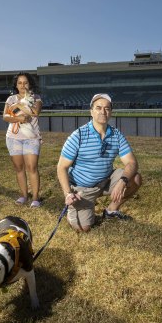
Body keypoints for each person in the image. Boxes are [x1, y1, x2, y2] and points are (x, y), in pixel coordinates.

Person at [57, 93, 142, 233]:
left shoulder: (116, 135)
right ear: (91, 111)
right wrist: (67, 193)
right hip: (83, 188)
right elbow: (61, 167)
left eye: (107, 108)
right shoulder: (78, 135)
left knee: (135, 178)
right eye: (98, 108)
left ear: (111, 112)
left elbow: (132, 163)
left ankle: (111, 211)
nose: (103, 111)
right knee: (83, 228)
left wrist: (122, 182)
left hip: (106, 180)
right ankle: (74, 207)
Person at [3, 72, 43, 207]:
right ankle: (24, 195)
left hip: (31, 138)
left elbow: (35, 112)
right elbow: (5, 116)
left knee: (32, 167)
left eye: (25, 82)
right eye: (19, 83)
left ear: (30, 84)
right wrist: (18, 118)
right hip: (13, 138)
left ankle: (36, 198)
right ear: (16, 85)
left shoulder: (36, 98)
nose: (22, 85)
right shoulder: (10, 99)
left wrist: (19, 106)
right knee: (19, 168)